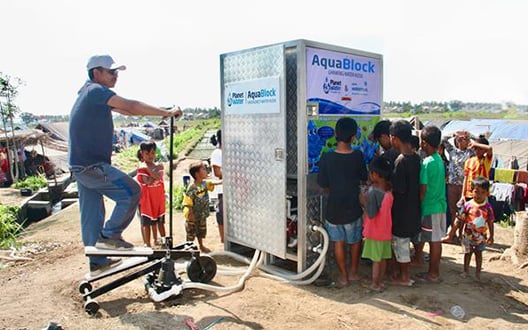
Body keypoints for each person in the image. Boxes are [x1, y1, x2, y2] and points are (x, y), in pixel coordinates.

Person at [68, 54, 182, 276]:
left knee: (91, 215)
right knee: (131, 192)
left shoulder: (89, 94)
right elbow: (129, 105)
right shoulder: (95, 91)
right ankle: (110, 237)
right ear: (96, 73)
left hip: (81, 166)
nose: (115, 76)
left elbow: (126, 110)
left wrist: (163, 110)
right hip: (91, 165)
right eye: (111, 72)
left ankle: (97, 260)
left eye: (117, 72)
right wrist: (166, 112)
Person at [317, 117, 368, 288]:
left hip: (334, 208)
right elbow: (364, 177)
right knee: (354, 241)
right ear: (353, 136)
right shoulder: (358, 156)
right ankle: (354, 272)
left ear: (336, 135)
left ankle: (343, 277)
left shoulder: (327, 157)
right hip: (353, 207)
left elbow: (323, 184)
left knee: (338, 242)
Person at [388, 120, 422, 286]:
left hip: (401, 211)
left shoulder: (401, 161)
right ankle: (398, 272)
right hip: (413, 208)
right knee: (404, 243)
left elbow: (398, 189)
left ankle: (404, 277)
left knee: (401, 244)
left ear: (394, 139)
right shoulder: (416, 158)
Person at [414, 126, 447, 283]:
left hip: (430, 206)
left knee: (434, 241)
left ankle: (433, 273)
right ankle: (431, 270)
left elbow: (423, 188)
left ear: (424, 143)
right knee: (435, 239)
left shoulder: (427, 163)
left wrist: (418, 204)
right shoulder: (439, 159)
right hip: (440, 205)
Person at [361, 157, 393, 292]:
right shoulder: (389, 191)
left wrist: (363, 201)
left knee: (375, 260)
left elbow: (372, 213)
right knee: (383, 258)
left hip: (375, 232)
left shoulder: (374, 193)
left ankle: (375, 283)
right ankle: (381, 280)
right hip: (386, 232)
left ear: (374, 174)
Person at [441, 131, 475, 244]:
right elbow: (443, 140)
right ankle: (453, 234)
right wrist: (454, 134)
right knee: (452, 210)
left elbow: (479, 143)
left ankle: (461, 233)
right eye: (459, 139)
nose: (461, 141)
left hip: (463, 185)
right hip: (451, 184)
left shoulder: (470, 153)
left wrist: (469, 135)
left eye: (463, 139)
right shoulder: (452, 152)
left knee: (462, 211)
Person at [459, 176, 494, 280]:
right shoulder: (467, 205)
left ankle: (478, 273)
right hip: (468, 235)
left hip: (481, 237)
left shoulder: (488, 207)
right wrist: (460, 231)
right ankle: (465, 271)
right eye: (476, 192)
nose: (479, 195)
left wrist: (491, 236)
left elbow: (490, 222)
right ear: (471, 191)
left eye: (483, 192)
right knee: (467, 253)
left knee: (478, 254)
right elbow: (462, 219)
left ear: (487, 193)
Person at [183, 161, 221, 252]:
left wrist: (222, 181)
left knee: (201, 231)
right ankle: (189, 249)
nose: (206, 171)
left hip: (202, 214)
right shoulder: (192, 187)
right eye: (203, 169)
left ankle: (201, 245)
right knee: (191, 233)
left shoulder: (204, 184)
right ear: (197, 174)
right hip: (193, 216)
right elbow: (188, 202)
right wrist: (190, 213)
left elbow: (212, 183)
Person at [136, 141, 166, 247]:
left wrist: (148, 169)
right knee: (147, 223)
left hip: (158, 200)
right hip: (147, 201)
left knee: (160, 222)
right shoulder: (142, 169)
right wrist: (154, 171)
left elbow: (157, 177)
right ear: (142, 154)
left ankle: (163, 241)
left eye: (152, 153)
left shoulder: (146, 168)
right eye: (147, 153)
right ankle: (147, 244)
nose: (150, 156)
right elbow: (148, 181)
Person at [460, 135, 493, 205]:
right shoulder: (469, 161)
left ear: (485, 150)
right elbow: (465, 179)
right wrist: (463, 195)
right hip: (470, 194)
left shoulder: (486, 161)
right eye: (476, 148)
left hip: (482, 195)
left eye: (480, 149)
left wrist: (475, 144)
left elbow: (490, 148)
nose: (477, 151)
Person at [210, 130, 224, 243]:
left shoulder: (227, 152)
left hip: (232, 189)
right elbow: (218, 173)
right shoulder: (217, 153)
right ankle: (223, 239)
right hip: (222, 189)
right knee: (222, 214)